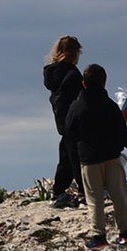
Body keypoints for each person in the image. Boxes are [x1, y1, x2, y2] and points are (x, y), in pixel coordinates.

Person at [61, 64, 127, 247]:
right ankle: (125, 234)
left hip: (89, 161)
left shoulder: (77, 106)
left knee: (94, 199)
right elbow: (121, 131)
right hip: (112, 157)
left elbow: (68, 131)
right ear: (104, 83)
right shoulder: (110, 106)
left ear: (83, 83)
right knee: (119, 196)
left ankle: (99, 236)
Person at [43, 36, 85, 209]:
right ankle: (84, 191)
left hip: (61, 120)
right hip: (75, 119)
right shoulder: (72, 74)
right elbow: (80, 99)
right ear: (75, 53)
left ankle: (59, 190)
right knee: (76, 157)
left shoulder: (52, 73)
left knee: (66, 156)